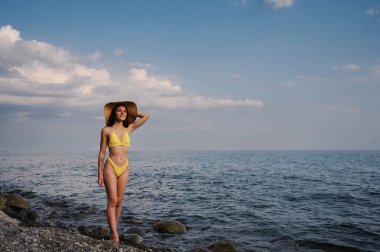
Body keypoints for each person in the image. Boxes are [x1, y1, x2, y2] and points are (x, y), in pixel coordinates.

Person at [97, 101, 149, 243]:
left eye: (125, 111)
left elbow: (146, 116)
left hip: (125, 167)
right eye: (119, 111)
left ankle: (113, 229)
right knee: (112, 200)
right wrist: (99, 173)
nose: (122, 113)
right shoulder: (106, 130)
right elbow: (102, 153)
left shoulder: (129, 128)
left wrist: (133, 113)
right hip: (110, 166)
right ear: (114, 113)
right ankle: (114, 234)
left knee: (119, 201)